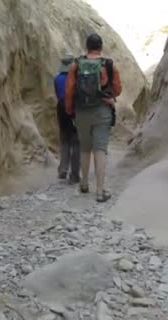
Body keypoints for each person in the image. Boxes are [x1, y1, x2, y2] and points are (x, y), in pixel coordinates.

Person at [65, 33, 122, 203]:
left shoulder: (76, 64)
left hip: (81, 111)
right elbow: (118, 89)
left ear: (86, 47)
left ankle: (84, 184)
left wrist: (70, 109)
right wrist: (109, 96)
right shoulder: (108, 65)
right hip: (102, 110)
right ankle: (99, 191)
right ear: (101, 47)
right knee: (100, 149)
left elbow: (69, 89)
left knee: (85, 148)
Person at [54, 54, 80, 184]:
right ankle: (74, 173)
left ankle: (63, 169)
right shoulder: (75, 77)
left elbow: (57, 94)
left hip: (61, 109)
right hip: (74, 110)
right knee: (76, 141)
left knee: (64, 139)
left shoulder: (57, 77)